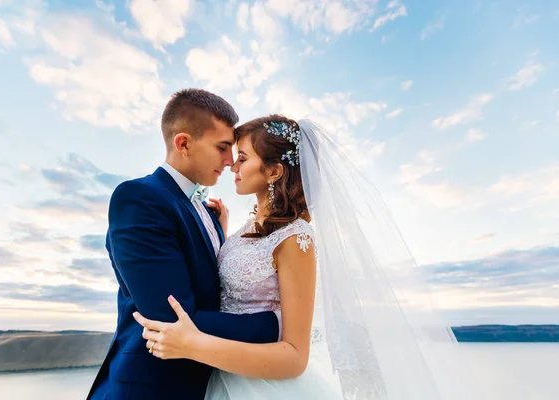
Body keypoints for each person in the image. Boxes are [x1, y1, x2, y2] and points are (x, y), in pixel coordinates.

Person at [134, 115, 486, 399]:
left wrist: (196, 344)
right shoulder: (244, 229)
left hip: (259, 386)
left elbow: (295, 356)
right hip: (217, 379)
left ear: (273, 171)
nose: (232, 166)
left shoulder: (297, 238)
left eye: (242, 158)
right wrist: (223, 234)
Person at [86, 89, 280, 400]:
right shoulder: (138, 198)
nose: (230, 162)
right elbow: (171, 319)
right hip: (150, 389)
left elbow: (212, 285)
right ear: (184, 143)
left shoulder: (208, 211)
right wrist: (275, 324)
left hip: (209, 383)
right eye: (222, 147)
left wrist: (221, 237)